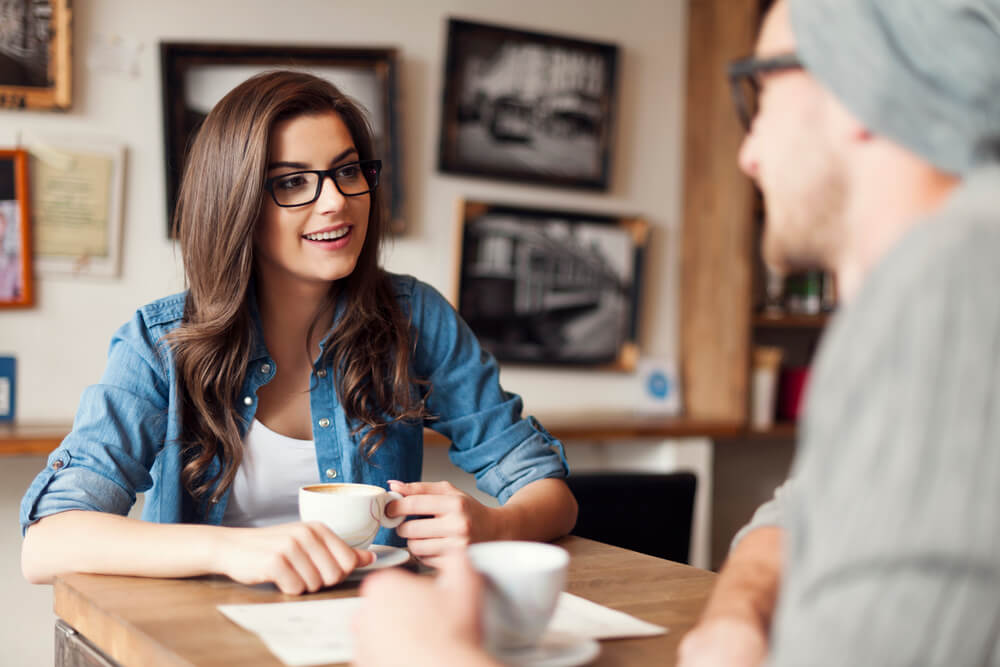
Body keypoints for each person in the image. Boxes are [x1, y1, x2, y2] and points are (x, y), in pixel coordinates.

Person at [355, 0, 1000, 664]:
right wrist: (736, 617)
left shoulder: (955, 284)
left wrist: (430, 655)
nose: (748, 154)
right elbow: (798, 512)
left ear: (863, 83)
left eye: (762, 94)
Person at [19, 70, 578, 595]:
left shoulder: (415, 317)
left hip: (369, 630)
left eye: (348, 171)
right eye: (291, 182)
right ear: (236, 204)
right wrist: (235, 551)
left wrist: (494, 525)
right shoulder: (163, 342)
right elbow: (47, 542)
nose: (336, 201)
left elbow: (549, 492)